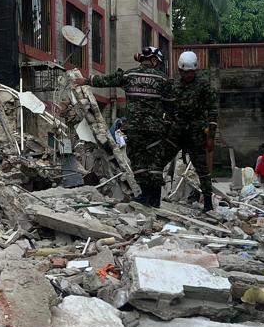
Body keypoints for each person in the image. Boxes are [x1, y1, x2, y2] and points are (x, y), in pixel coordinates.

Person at [86, 46, 171, 207]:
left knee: (139, 162)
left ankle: (144, 197)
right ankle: (155, 198)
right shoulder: (163, 79)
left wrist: (86, 80)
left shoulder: (130, 75)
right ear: (153, 60)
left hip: (135, 128)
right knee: (155, 163)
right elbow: (171, 106)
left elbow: (107, 80)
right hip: (155, 130)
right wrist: (166, 125)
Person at [169, 50, 219, 212]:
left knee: (202, 169)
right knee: (160, 160)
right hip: (177, 132)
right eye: (186, 72)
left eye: (192, 72)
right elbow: (168, 107)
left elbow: (212, 110)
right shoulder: (174, 85)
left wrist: (211, 137)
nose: (189, 75)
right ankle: (153, 195)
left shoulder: (203, 85)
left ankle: (208, 203)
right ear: (180, 70)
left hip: (197, 133)